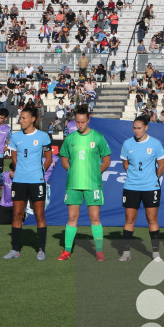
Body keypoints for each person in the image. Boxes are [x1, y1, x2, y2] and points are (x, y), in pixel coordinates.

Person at [57, 105, 112, 261]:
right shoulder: (70, 138)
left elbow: (107, 161)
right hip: (73, 184)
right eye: (77, 122)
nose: (80, 125)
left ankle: (99, 250)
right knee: (72, 218)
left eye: (83, 122)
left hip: (92, 185)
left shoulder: (98, 137)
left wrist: (95, 173)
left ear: (88, 120)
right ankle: (67, 251)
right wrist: (73, 171)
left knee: (95, 218)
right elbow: (64, 160)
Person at [3, 107, 53, 260]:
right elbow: (14, 158)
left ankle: (41, 249)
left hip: (36, 182)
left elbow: (49, 159)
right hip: (19, 182)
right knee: (17, 215)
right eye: (20, 118)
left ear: (33, 119)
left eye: (24, 118)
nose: (21, 120)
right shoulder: (16, 137)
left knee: (39, 215)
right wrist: (21, 171)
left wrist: (39, 172)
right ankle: (15, 249)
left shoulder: (43, 136)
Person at [119, 113, 164, 261]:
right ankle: (126, 253)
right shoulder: (127, 144)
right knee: (129, 219)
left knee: (152, 219)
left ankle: (155, 253)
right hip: (131, 187)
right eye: (134, 128)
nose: (136, 131)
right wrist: (135, 177)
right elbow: (125, 164)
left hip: (151, 188)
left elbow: (162, 165)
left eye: (139, 128)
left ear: (146, 127)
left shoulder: (155, 144)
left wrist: (152, 179)